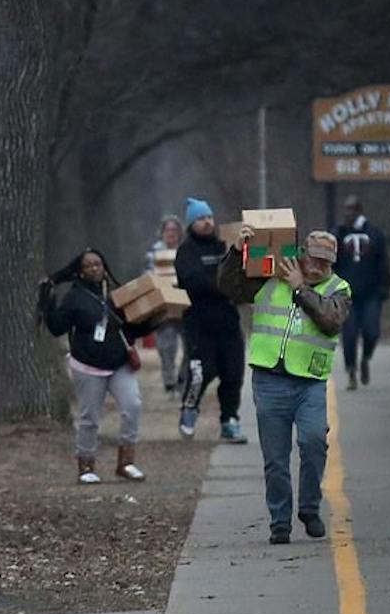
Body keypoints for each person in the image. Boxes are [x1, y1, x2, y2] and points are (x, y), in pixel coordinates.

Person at [218, 228, 351, 545]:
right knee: (275, 459)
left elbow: (331, 320)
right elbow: (229, 288)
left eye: (325, 261)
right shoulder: (273, 269)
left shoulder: (339, 287)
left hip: (310, 381)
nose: (318, 265)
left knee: (314, 442)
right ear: (301, 251)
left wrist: (300, 288)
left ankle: (309, 507)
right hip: (269, 378)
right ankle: (279, 521)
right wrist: (237, 253)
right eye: (313, 258)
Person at [41, 249, 153, 484]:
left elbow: (130, 328)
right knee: (89, 417)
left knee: (132, 405)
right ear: (80, 273)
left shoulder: (115, 295)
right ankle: (86, 465)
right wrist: (47, 302)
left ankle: (126, 462)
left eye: (98, 264)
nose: (95, 268)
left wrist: (154, 319)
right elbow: (57, 327)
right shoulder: (74, 298)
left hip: (119, 363)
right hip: (88, 366)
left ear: (105, 268)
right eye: (89, 266)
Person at [175, 197, 247, 443]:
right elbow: (194, 282)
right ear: (191, 223)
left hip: (228, 322)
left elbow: (240, 269)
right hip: (199, 324)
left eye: (209, 217)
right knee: (201, 373)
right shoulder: (186, 251)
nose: (207, 222)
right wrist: (226, 287)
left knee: (233, 374)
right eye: (200, 219)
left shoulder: (224, 245)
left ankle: (229, 420)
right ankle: (190, 408)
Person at [333, 194, 390, 390]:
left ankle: (366, 358)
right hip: (347, 295)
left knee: (371, 331)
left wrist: (385, 285)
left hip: (370, 293)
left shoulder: (374, 233)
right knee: (349, 336)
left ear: (359, 210)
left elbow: (383, 261)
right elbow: (331, 260)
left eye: (352, 209)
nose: (348, 213)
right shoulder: (340, 233)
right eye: (346, 209)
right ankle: (351, 371)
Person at [146, 215, 185, 393]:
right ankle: (169, 381)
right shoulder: (153, 254)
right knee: (166, 347)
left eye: (174, 230)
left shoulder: (185, 251)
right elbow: (147, 277)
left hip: (185, 305)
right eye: (168, 230)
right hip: (163, 307)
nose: (171, 234)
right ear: (162, 233)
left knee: (190, 346)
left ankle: (183, 379)